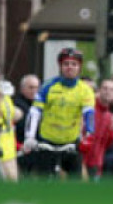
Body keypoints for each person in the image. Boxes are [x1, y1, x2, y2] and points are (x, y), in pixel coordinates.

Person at [23, 48, 95, 178]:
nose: (69, 67)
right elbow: (35, 112)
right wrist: (30, 136)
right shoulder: (48, 86)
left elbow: (89, 114)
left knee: (76, 183)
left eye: (74, 64)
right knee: (42, 182)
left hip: (70, 142)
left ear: (79, 67)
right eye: (66, 64)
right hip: (47, 142)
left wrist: (89, 135)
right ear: (60, 66)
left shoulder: (85, 90)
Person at [82, 79, 113, 180]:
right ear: (99, 91)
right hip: (82, 162)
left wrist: (111, 129)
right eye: (105, 88)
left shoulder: (109, 116)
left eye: (111, 89)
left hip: (96, 164)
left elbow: (107, 143)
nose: (108, 91)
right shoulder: (89, 108)